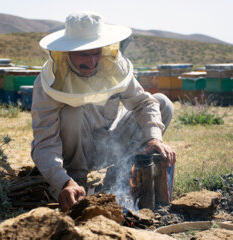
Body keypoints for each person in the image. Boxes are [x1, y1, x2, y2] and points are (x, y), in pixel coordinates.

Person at [31, 11, 176, 212]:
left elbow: (144, 103)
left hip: (108, 143)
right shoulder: (49, 82)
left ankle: (123, 173)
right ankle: (76, 182)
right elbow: (45, 143)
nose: (91, 62)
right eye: (83, 54)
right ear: (67, 52)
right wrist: (63, 181)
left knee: (162, 103)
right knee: (72, 113)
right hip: (72, 153)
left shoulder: (113, 68)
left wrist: (154, 138)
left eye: (96, 53)